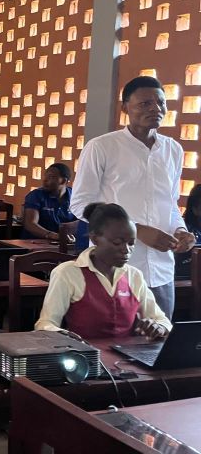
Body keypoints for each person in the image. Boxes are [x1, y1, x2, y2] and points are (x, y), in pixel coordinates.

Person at [71, 76, 195, 319]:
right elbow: (80, 204)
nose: (155, 109)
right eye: (145, 103)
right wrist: (135, 231)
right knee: (111, 338)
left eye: (161, 103)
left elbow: (170, 204)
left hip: (160, 269)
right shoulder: (102, 147)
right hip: (114, 268)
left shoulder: (173, 150)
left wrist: (180, 230)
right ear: (125, 107)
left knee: (158, 337)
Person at [36, 203, 171, 340]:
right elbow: (45, 323)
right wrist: (64, 335)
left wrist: (158, 327)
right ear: (95, 239)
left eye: (131, 243)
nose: (126, 250)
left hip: (127, 352)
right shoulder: (67, 273)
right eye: (117, 242)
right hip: (84, 351)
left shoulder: (134, 275)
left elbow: (161, 319)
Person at [21, 162, 77, 240]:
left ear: (63, 181)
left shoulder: (75, 197)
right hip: (36, 242)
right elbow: (30, 224)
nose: (45, 180)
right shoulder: (36, 195)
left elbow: (82, 221)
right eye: (45, 176)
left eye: (51, 177)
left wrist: (67, 230)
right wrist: (52, 235)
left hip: (65, 241)